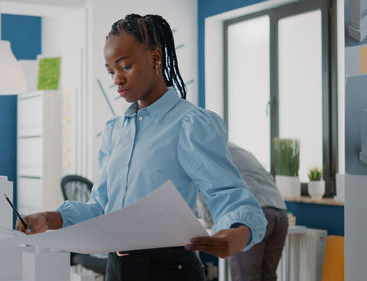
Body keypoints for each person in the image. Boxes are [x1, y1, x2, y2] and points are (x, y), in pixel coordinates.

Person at [17, 14, 267, 281]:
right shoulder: (115, 131)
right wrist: (51, 218)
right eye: (111, 71)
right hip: (117, 268)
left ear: (155, 57)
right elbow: (102, 208)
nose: (116, 80)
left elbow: (230, 194)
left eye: (125, 66)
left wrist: (239, 232)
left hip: (169, 271)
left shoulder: (190, 124)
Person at [197, 142, 289, 281]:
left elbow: (201, 187)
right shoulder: (239, 150)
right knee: (268, 277)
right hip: (279, 213)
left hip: (249, 217)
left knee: (246, 278)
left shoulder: (202, 151)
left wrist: (211, 225)